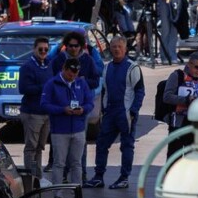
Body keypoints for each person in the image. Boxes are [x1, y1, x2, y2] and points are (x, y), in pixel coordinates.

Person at [87, 36, 144, 190]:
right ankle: (98, 176)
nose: (116, 49)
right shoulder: (107, 68)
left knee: (126, 146)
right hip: (110, 113)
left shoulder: (133, 68)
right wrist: (103, 110)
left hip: (126, 114)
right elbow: (104, 90)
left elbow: (140, 91)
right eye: (114, 47)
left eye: (119, 46)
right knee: (101, 144)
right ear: (110, 49)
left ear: (125, 49)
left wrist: (133, 111)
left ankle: (124, 178)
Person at [40, 57, 93, 186]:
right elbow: (44, 105)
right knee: (59, 163)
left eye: (75, 74)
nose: (72, 77)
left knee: (77, 163)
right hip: (59, 131)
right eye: (70, 74)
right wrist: (62, 110)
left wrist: (83, 109)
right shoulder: (52, 84)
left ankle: (77, 193)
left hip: (78, 129)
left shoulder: (81, 83)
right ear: (63, 69)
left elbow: (90, 103)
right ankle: (57, 193)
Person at [17, 37, 53, 182]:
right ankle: (29, 178)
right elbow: (23, 88)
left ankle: (38, 176)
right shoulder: (27, 67)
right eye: (40, 49)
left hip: (46, 113)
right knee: (31, 147)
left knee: (40, 147)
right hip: (32, 112)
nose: (43, 52)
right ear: (34, 49)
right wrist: (44, 87)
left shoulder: (49, 64)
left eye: (46, 49)